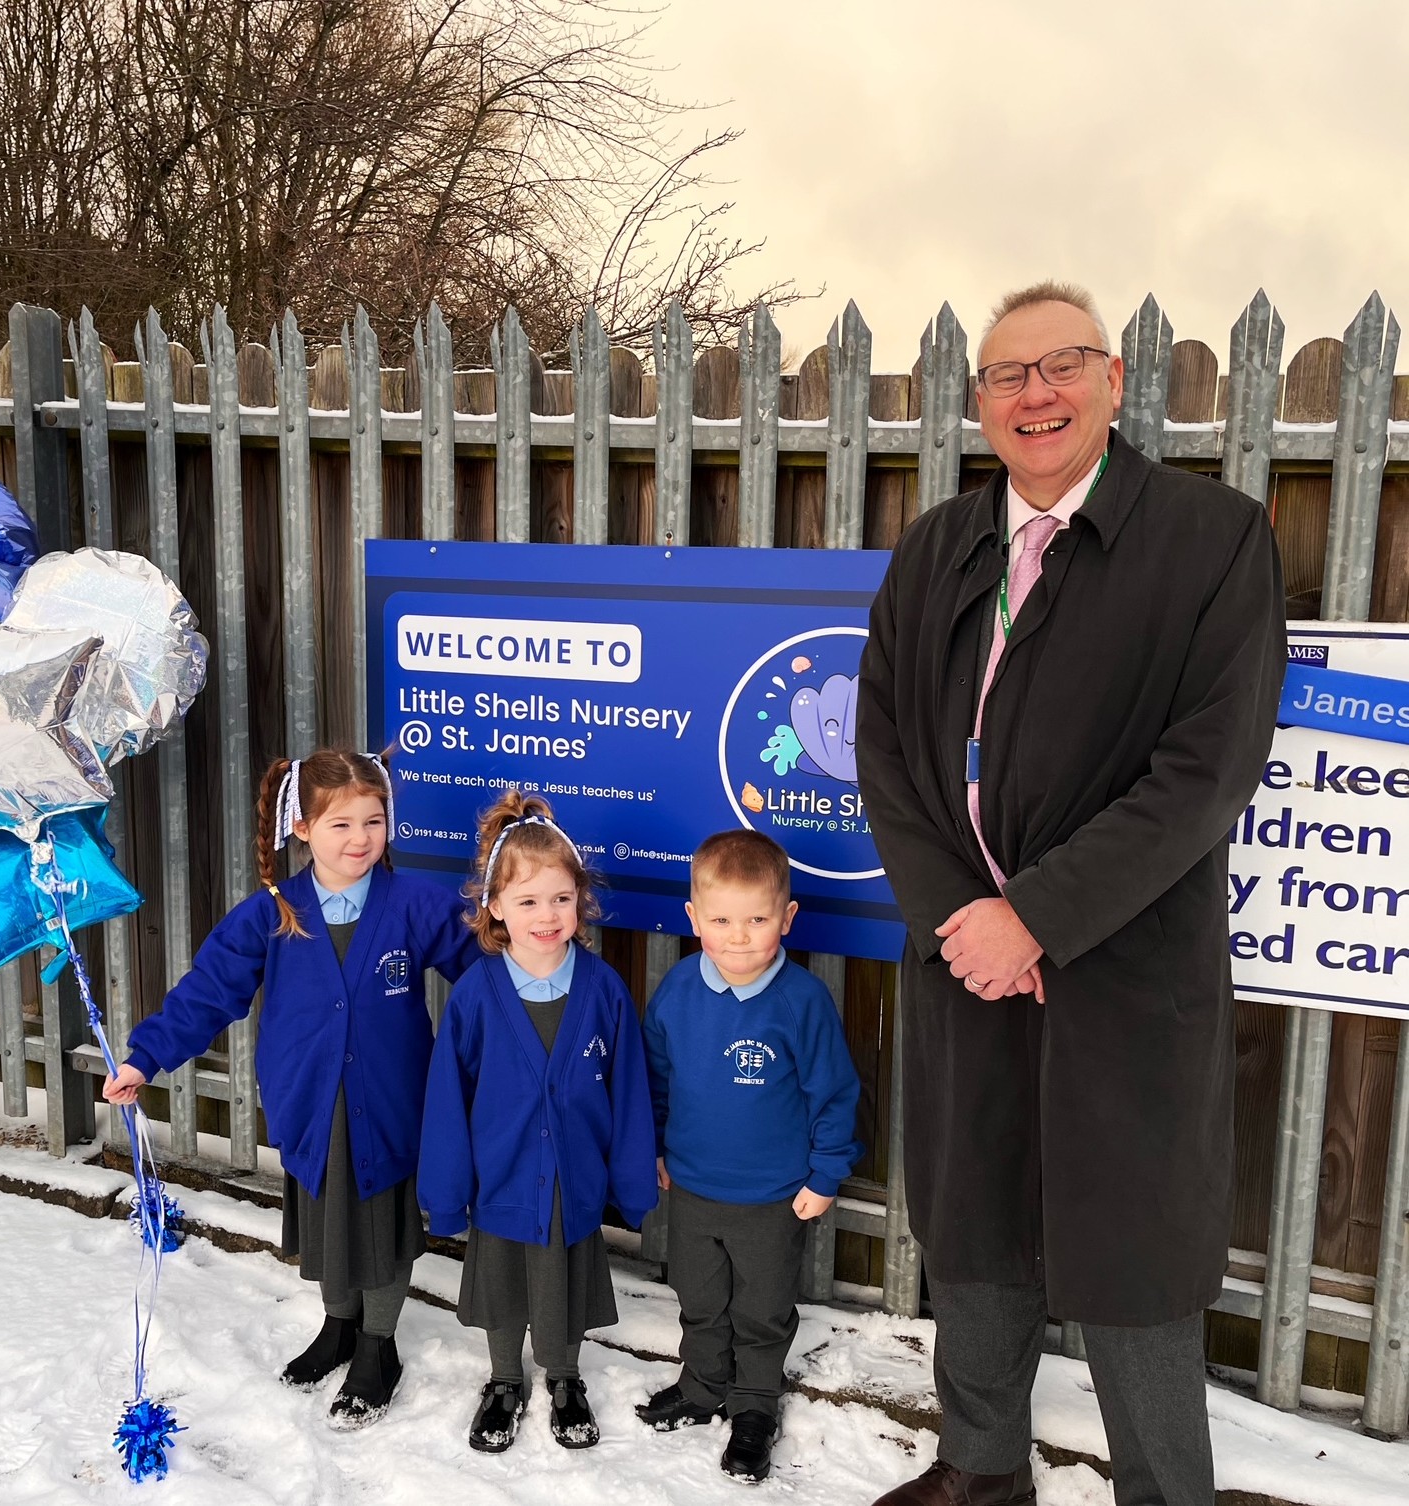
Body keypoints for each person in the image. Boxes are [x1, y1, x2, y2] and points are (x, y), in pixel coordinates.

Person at [854, 282, 1286, 1506]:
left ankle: (1163, 1493)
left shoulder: (1213, 540)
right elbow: (882, 750)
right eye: (1008, 375)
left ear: (1110, 383)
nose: (1035, 394)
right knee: (976, 1228)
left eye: (1062, 366)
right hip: (965, 959)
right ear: (979, 402)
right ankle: (980, 1473)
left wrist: (1034, 917)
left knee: (1131, 1253)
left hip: (1124, 969)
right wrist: (966, 922)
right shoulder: (939, 548)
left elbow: (1204, 776)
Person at [102, 749, 479, 1430]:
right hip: (310, 1103)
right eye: (340, 824)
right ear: (301, 828)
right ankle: (339, 1325)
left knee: (386, 1228)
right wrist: (145, 1058)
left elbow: (485, 976)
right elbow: (209, 994)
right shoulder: (271, 914)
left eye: (374, 820)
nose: (360, 838)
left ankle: (378, 1345)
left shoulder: (416, 904)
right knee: (333, 1217)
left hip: (394, 1102)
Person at [418, 791, 658, 1454]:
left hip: (573, 1181)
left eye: (560, 897)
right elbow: (447, 1102)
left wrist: (634, 1182)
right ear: (495, 907)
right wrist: (445, 1192)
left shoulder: (604, 989)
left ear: (580, 897)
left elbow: (631, 1093)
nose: (546, 916)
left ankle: (566, 1376)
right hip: (501, 1179)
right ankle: (502, 1380)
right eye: (527, 901)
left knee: (562, 1281)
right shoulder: (474, 994)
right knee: (504, 1282)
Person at [636, 829, 862, 1484]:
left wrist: (825, 1175)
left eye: (758, 920)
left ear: (787, 918)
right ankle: (704, 1385)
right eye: (723, 921)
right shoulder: (677, 990)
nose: (739, 937)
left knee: (761, 1309)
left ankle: (756, 1406)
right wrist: (655, 1146)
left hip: (773, 1195)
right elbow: (655, 1079)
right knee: (700, 1299)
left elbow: (836, 1094)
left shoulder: (803, 1002)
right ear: (694, 919)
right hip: (695, 1187)